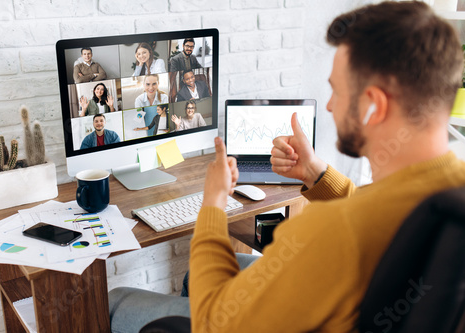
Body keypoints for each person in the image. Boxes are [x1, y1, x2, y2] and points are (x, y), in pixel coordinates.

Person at [108, 2, 465, 332]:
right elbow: (379, 217)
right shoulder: (449, 189)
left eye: (336, 92)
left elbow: (213, 322)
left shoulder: (331, 231)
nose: (329, 106)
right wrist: (315, 173)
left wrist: (214, 201)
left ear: (373, 106)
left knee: (117, 301)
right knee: (195, 277)